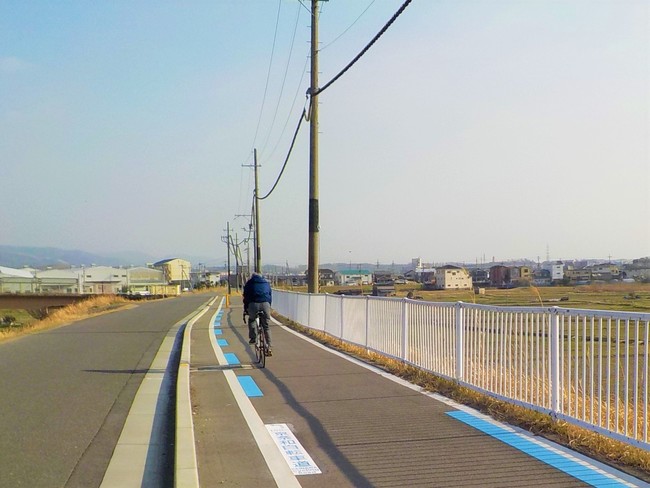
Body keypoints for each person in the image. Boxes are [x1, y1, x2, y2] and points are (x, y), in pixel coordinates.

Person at [242, 272, 272, 355]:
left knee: (252, 320)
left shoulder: (249, 283)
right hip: (266, 304)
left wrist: (246, 309)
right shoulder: (266, 283)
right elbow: (270, 296)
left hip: (253, 304)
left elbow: (245, 297)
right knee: (266, 326)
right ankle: (269, 346)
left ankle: (253, 338)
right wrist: (268, 306)